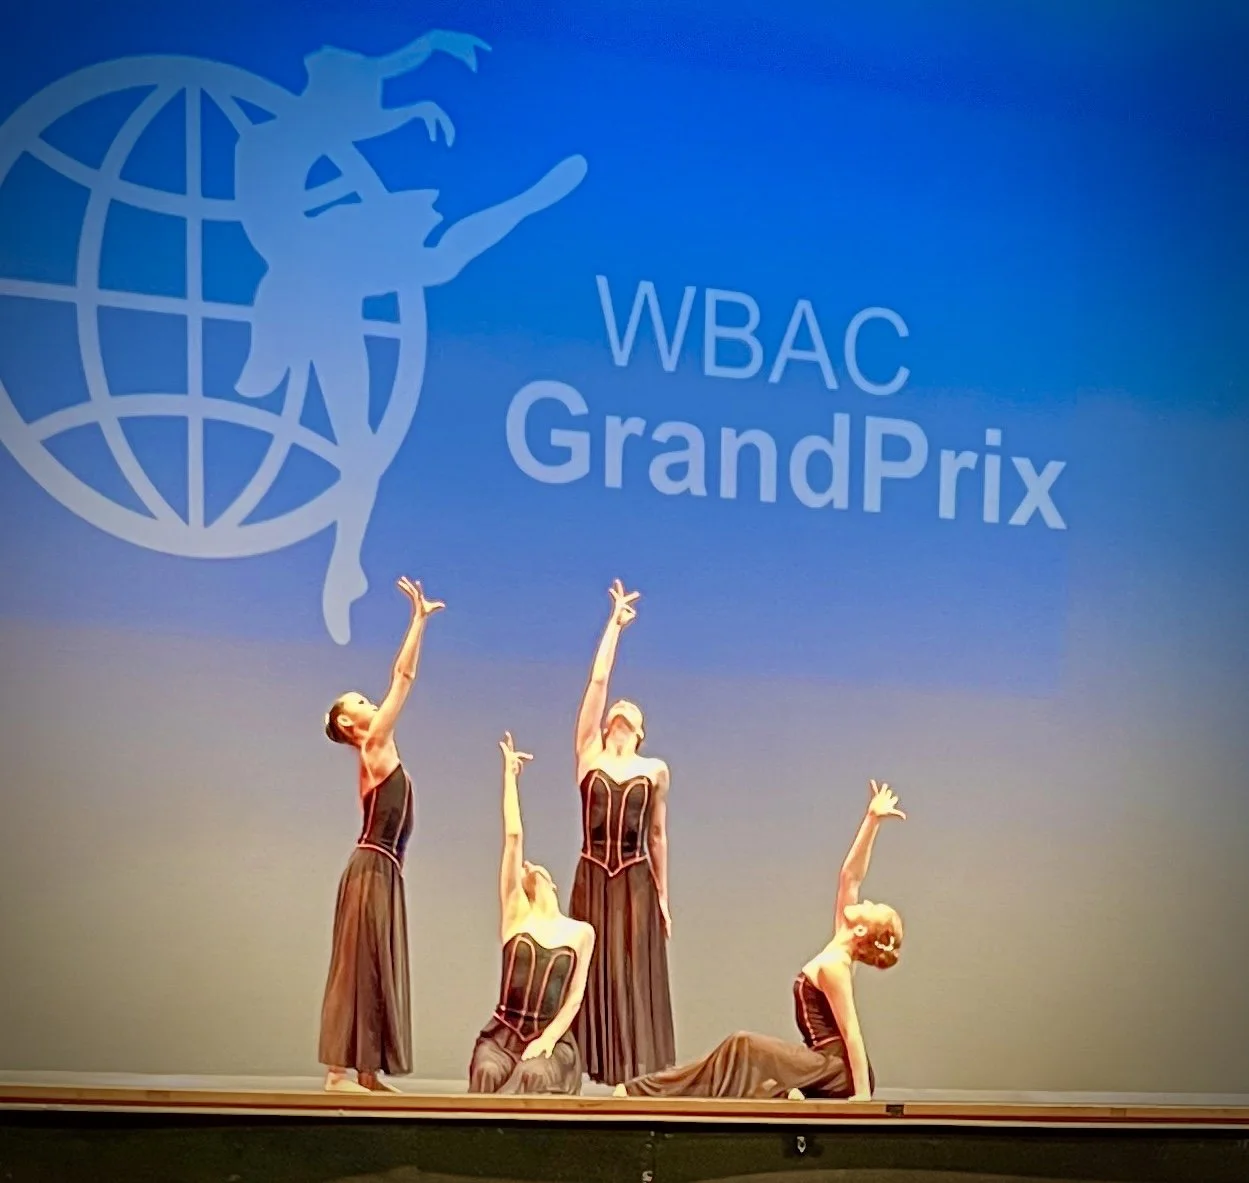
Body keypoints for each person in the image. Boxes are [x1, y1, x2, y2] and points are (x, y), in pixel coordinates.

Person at [614, 780, 906, 1101]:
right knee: (741, 1053)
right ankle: (651, 1089)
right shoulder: (840, 942)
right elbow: (850, 876)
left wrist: (862, 1095)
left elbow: (852, 1034)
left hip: (837, 1071)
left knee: (743, 1045)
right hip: (821, 1066)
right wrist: (872, 820)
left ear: (861, 931)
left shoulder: (836, 966)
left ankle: (646, 1090)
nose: (865, 901)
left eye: (871, 907)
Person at [318, 576, 444, 1092]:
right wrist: (418, 621)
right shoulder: (373, 745)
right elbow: (404, 677)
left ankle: (367, 1073)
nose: (373, 704)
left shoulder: (378, 749)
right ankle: (337, 1073)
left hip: (383, 873)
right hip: (369, 871)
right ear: (350, 725)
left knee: (375, 964)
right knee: (356, 965)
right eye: (362, 703)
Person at [569, 579, 675, 1085]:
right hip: (592, 875)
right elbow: (597, 683)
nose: (621, 709)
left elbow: (657, 836)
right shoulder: (588, 755)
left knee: (630, 971)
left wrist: (664, 897)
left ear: (640, 730)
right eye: (617, 710)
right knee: (592, 968)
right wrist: (614, 626)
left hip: (634, 880)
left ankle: (632, 1077)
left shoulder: (654, 770)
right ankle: (588, 1066)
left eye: (630, 713)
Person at [468, 734, 596, 1094]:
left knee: (535, 1074)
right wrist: (510, 777)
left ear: (552, 884)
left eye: (535, 866)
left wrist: (549, 1039)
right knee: (488, 1070)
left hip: (550, 1035)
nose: (527, 866)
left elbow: (575, 997)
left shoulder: (580, 932)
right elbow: (513, 837)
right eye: (524, 868)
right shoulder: (516, 916)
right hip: (502, 1035)